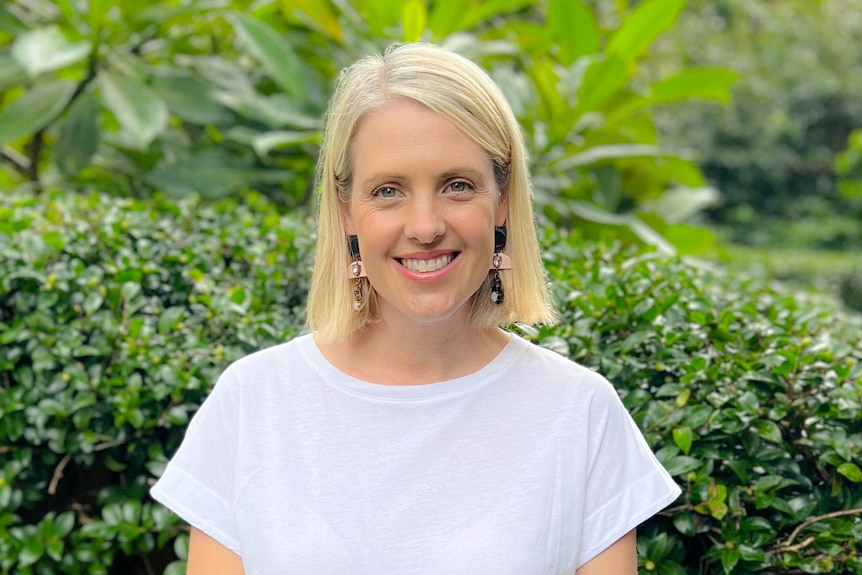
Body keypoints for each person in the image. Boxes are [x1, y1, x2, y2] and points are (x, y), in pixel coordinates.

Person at [150, 42, 681, 574]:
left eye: (457, 185)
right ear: (346, 212)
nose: (425, 226)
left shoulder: (579, 413)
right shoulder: (253, 403)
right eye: (388, 191)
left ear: (501, 201)